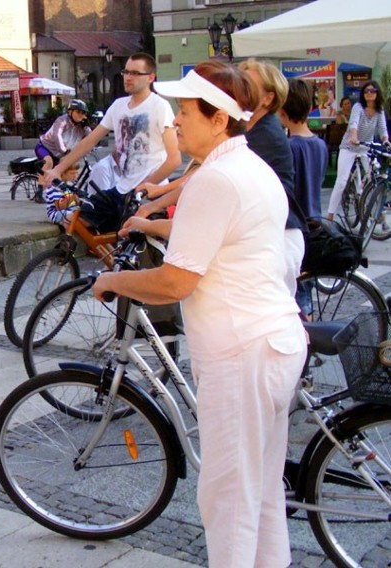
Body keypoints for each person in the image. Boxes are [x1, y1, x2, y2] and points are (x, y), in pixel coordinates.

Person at [93, 61, 306, 568]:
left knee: (228, 497)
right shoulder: (245, 167)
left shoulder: (219, 179)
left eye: (186, 111)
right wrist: (155, 227)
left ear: (219, 120)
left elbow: (173, 283)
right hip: (272, 342)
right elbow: (221, 239)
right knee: (260, 491)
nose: (178, 121)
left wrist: (112, 281)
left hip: (243, 353)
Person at [42, 52, 181, 233]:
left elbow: (174, 159)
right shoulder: (118, 106)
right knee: (72, 219)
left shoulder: (159, 106)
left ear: (150, 78)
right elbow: (89, 141)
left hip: (149, 195)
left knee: (138, 250)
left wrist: (147, 186)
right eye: (126, 72)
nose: (128, 77)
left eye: (136, 73)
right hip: (121, 190)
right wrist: (58, 169)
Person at [238, 59, 303, 296]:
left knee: (277, 318)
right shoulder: (246, 128)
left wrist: (161, 197)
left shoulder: (263, 135)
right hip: (264, 233)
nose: (239, 89)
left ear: (268, 98)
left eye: (248, 85)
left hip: (278, 237)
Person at [279, 78, 328, 316]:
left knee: (297, 291)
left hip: (295, 223)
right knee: (305, 288)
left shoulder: (289, 147)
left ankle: (305, 341)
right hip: (314, 219)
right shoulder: (319, 144)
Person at [327, 80, 390, 220]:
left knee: (372, 178)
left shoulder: (379, 111)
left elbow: (382, 129)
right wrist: (354, 137)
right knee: (342, 181)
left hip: (365, 147)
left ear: (377, 93)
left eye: (372, 91)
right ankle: (330, 215)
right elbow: (353, 123)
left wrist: (386, 141)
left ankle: (375, 211)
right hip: (349, 147)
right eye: (366, 91)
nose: (369, 93)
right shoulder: (358, 107)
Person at [35, 99, 91, 172]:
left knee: (70, 170)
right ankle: (42, 183)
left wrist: (87, 128)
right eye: (78, 112)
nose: (80, 115)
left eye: (83, 113)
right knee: (48, 162)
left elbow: (91, 138)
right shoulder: (62, 120)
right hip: (45, 147)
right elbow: (57, 136)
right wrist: (64, 151)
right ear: (70, 111)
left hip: (60, 155)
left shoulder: (81, 126)